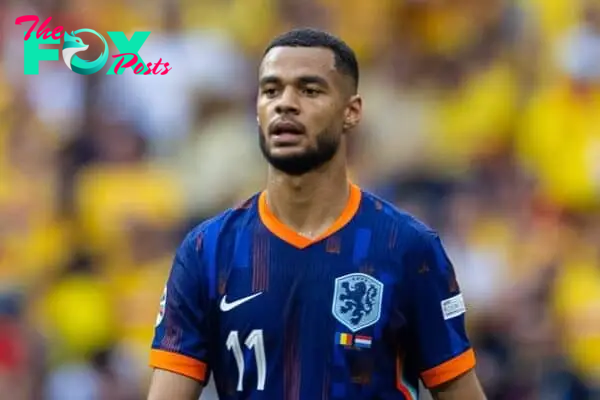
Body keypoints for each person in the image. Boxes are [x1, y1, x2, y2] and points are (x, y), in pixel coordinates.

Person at [147, 27, 486, 400]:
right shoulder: (208, 251)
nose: (285, 104)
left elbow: (459, 389)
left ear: (351, 112)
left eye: (309, 90)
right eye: (271, 90)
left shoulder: (407, 247)